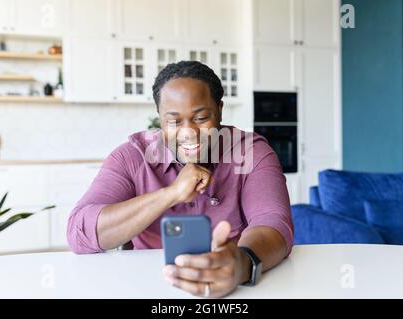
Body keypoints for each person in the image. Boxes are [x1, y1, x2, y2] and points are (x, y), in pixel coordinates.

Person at [67, 61, 294, 298]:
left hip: (235, 291)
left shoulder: (251, 152)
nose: (188, 133)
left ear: (219, 110)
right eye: (174, 120)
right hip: (148, 289)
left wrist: (241, 264)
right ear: (159, 117)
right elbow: (78, 233)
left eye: (201, 117)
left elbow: (274, 223)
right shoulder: (131, 157)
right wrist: (171, 193)